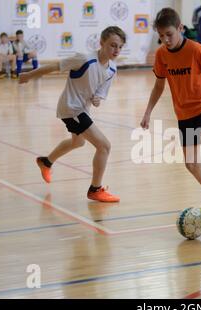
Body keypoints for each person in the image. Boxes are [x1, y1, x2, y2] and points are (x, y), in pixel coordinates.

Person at [141, 8, 201, 231]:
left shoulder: (197, 50)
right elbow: (158, 85)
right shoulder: (162, 55)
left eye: (169, 34)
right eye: (161, 36)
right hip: (184, 114)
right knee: (192, 164)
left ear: (181, 29)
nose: (165, 40)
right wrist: (147, 112)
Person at [19, 26, 126, 203]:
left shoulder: (112, 69)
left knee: (78, 141)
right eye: (113, 45)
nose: (116, 50)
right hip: (71, 108)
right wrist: (29, 75)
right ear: (101, 43)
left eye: (120, 47)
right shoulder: (84, 59)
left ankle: (46, 162)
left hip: (81, 109)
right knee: (104, 146)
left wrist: (97, 99)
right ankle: (95, 189)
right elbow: (55, 66)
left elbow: (100, 93)